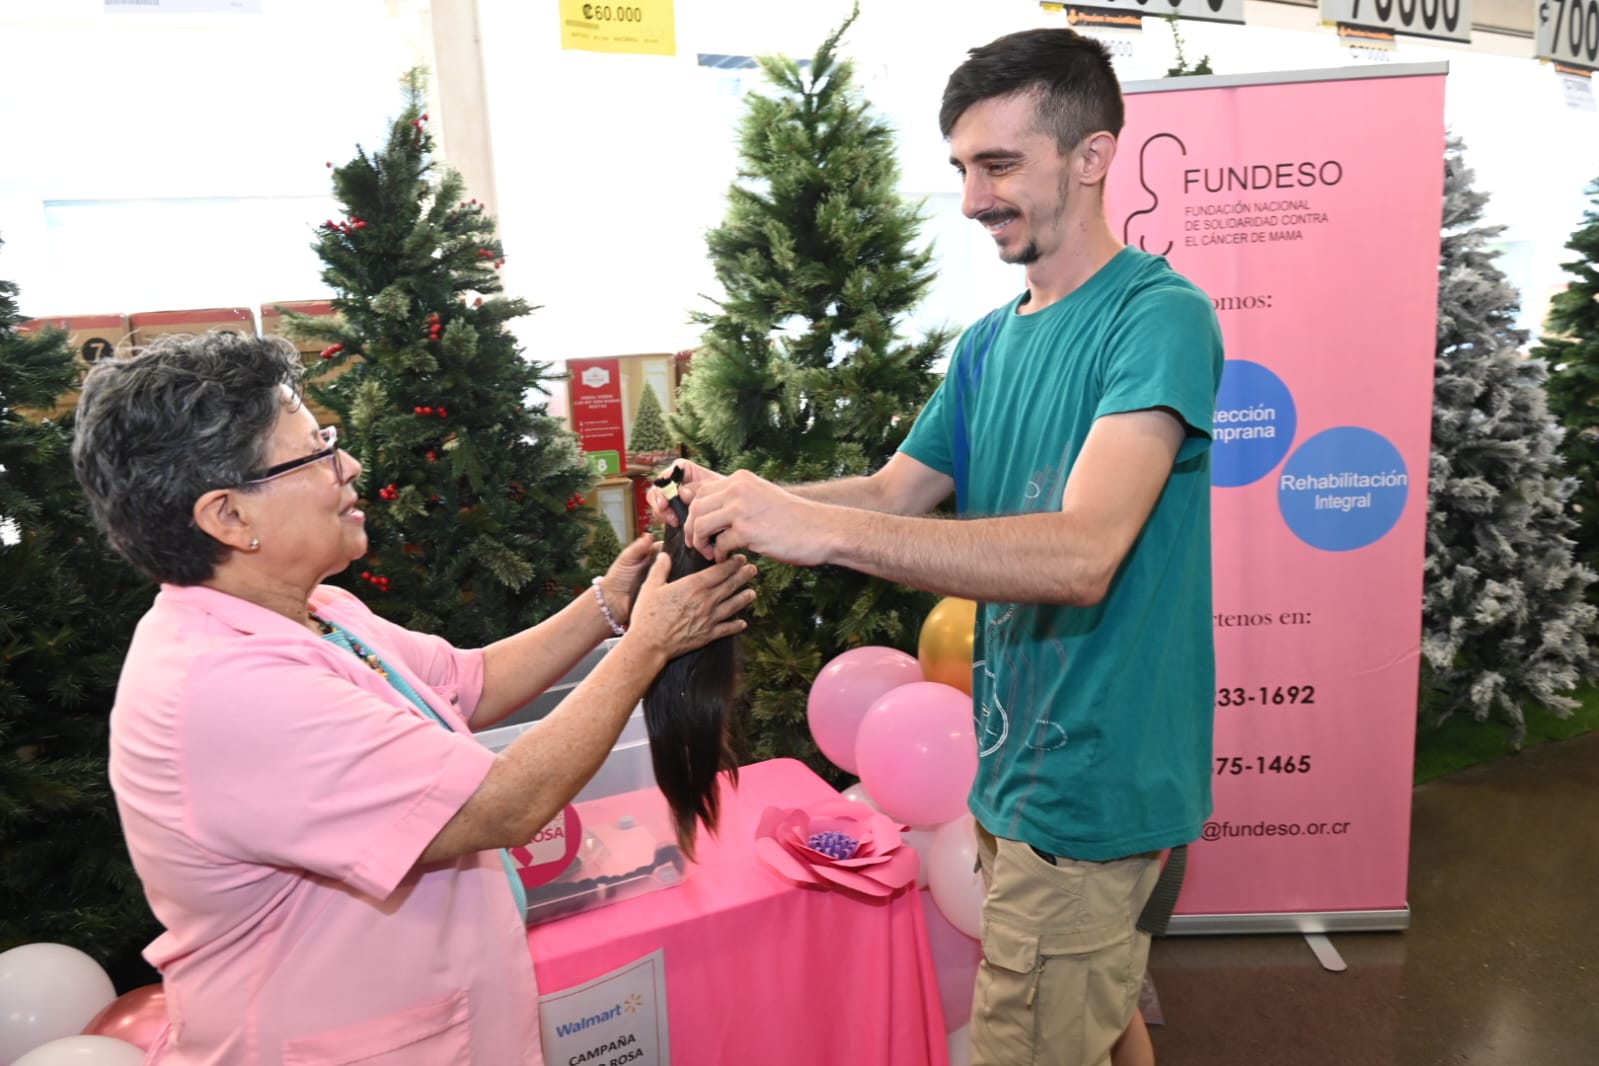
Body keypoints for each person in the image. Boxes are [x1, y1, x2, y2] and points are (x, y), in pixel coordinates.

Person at [650, 28, 1223, 1066]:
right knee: (1092, 1008)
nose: (971, 199)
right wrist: (747, 502)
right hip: (1013, 765)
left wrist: (813, 527)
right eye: (962, 168)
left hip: (1096, 781)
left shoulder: (1159, 317)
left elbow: (1083, 552)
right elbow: (891, 494)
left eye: (1000, 164)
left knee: (1038, 1031)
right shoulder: (991, 344)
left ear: (1091, 156)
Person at [71, 331, 755, 1064]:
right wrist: (647, 647)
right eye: (316, 453)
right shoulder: (223, 689)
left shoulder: (315, 611)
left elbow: (469, 681)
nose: (351, 466)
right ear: (228, 517)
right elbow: (501, 806)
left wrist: (607, 607)